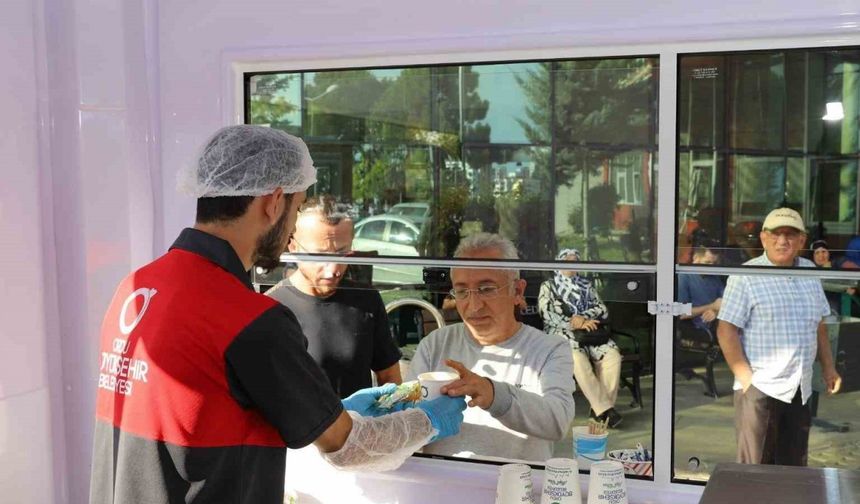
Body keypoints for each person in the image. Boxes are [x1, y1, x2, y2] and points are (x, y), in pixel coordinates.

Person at [90, 125, 466, 504]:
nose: (291, 232)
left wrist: (329, 410)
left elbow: (191, 413)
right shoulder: (248, 317)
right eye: (297, 207)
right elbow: (347, 445)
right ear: (272, 202)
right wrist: (429, 421)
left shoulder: (137, 287)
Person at [407, 233, 576, 462]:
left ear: (517, 291)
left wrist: (494, 394)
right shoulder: (434, 345)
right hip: (444, 487)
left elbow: (558, 421)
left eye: (486, 289)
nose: (474, 306)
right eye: (462, 291)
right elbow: (406, 424)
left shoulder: (550, 349)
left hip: (519, 490)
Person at [717, 207, 842, 466]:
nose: (782, 241)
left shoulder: (809, 271)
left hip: (799, 387)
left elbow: (819, 324)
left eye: (790, 234)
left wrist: (829, 368)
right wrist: (746, 378)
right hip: (761, 388)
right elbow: (726, 329)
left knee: (794, 467)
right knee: (755, 469)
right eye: (776, 234)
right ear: (764, 238)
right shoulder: (746, 275)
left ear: (801, 241)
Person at [266, 195, 402, 398]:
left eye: (342, 253)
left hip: (361, 427)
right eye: (320, 256)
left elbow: (390, 378)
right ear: (293, 247)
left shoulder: (366, 300)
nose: (333, 270)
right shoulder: (272, 308)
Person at [538, 249, 623, 428]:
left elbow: (602, 309)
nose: (572, 264)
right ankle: (605, 411)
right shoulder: (548, 286)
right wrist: (573, 323)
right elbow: (546, 314)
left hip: (589, 332)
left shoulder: (586, 284)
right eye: (568, 260)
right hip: (562, 333)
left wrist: (583, 318)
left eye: (575, 261)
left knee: (613, 356)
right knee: (577, 359)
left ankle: (598, 410)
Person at [678, 243, 725, 331]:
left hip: (713, 328)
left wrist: (715, 312)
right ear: (695, 258)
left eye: (714, 263)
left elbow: (724, 302)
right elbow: (680, 313)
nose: (711, 266)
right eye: (707, 262)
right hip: (690, 331)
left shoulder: (714, 278)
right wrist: (712, 306)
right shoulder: (683, 276)